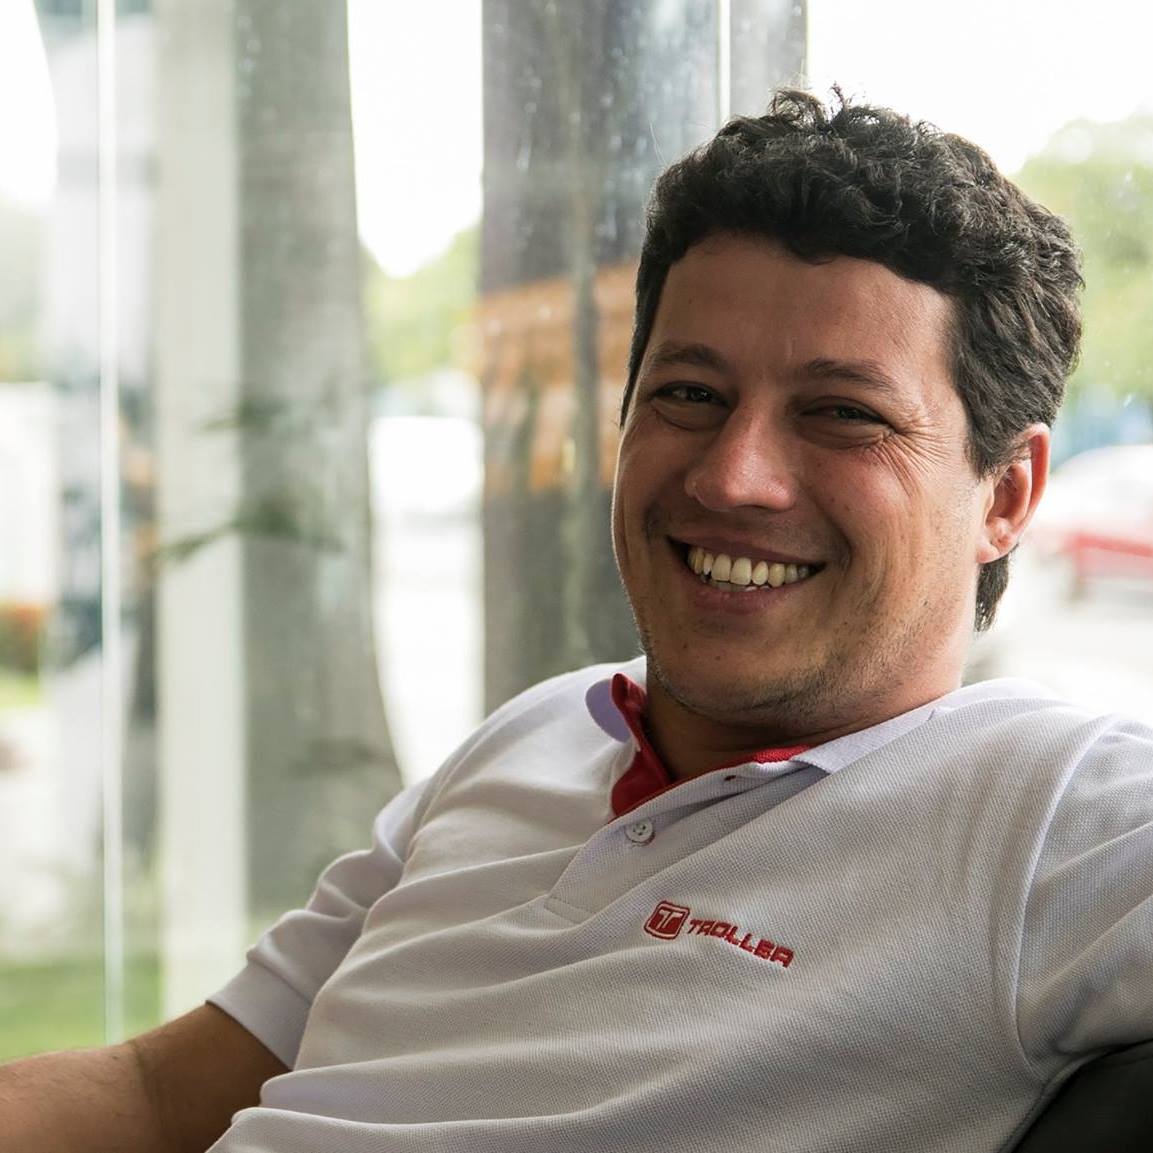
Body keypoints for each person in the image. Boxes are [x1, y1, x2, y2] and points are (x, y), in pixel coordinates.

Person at [2, 88, 1146, 1153]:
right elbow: (158, 1090)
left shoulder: (1048, 812)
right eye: (689, 394)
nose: (733, 474)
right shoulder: (537, 734)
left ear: (1005, 495)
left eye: (842, 414)